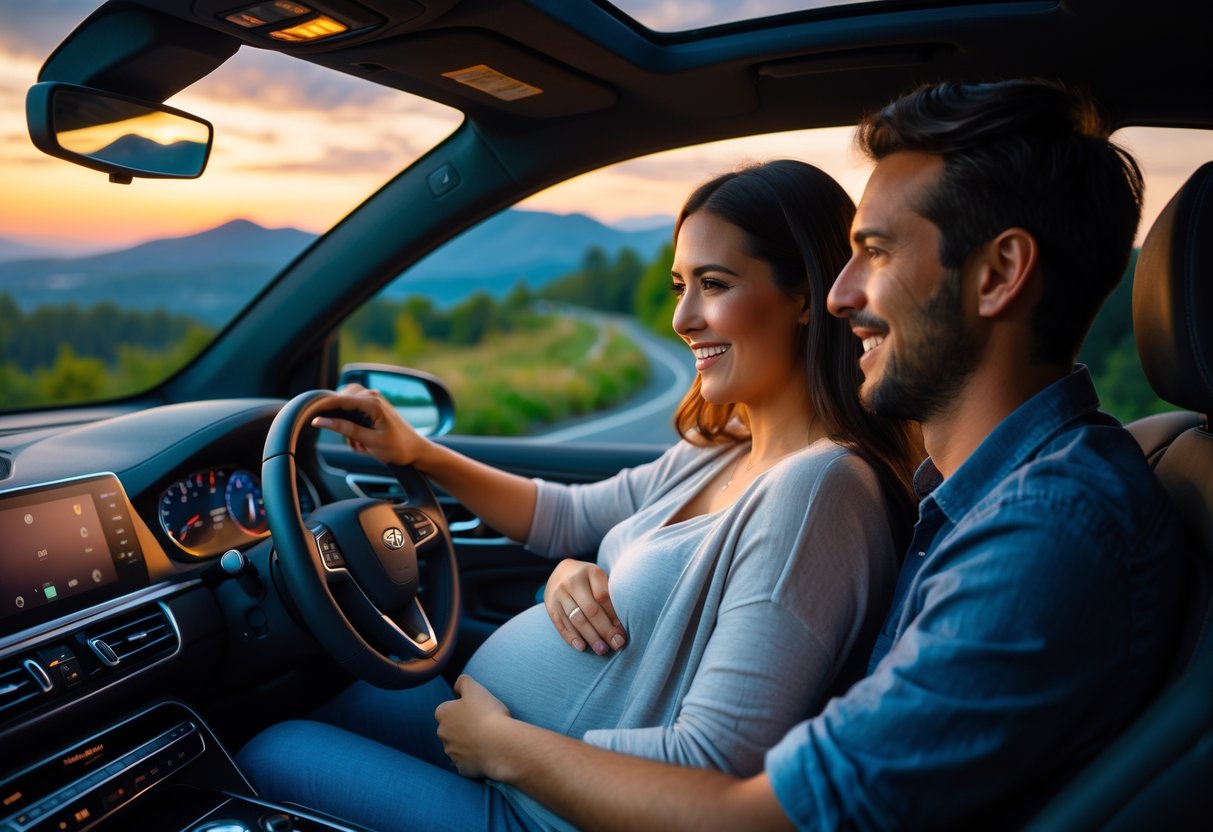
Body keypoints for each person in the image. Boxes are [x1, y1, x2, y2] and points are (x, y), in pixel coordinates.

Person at [429, 80, 1187, 830]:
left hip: (536, 797)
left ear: (996, 276)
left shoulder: (1046, 534)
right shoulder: (981, 501)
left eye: (876, 253)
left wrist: (506, 748)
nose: (838, 295)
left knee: (302, 747)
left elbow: (754, 818)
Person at [237, 160, 923, 831]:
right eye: (679, 284)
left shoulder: (818, 489)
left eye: (713, 284)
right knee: (333, 689)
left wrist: (501, 746)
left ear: (805, 295)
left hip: (545, 806)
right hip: (516, 761)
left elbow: (713, 766)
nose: (683, 318)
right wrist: (422, 456)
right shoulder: (722, 450)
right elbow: (563, 516)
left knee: (271, 753)